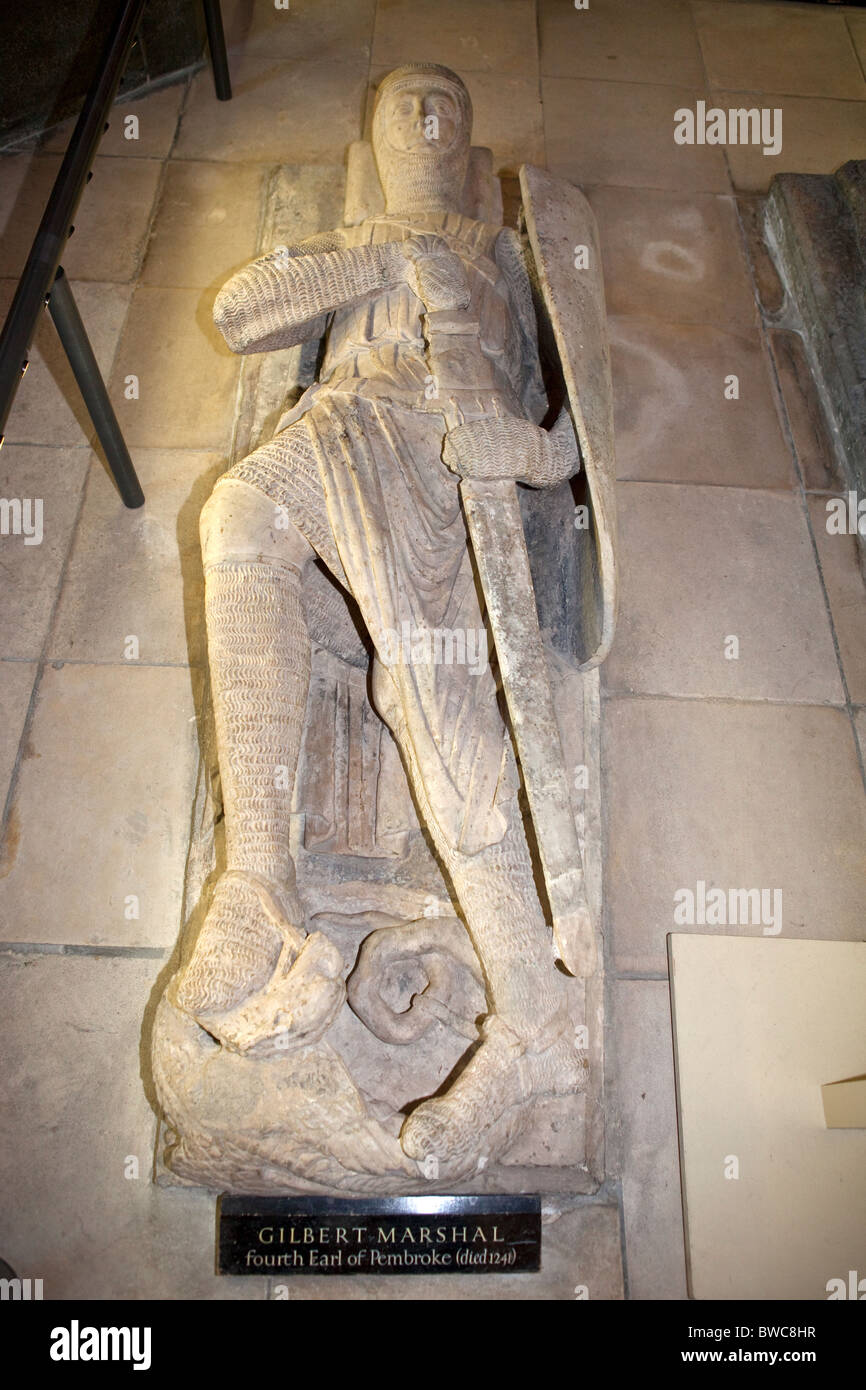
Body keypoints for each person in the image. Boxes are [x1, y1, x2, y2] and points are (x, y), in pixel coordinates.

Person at [174, 63, 585, 1170]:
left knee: (433, 707)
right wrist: (389, 254)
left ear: (464, 136)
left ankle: (536, 1021)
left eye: (443, 99)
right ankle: (257, 879)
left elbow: (590, 419)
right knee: (239, 511)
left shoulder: (503, 249)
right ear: (374, 132)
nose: (420, 114)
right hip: (339, 426)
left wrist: (532, 449)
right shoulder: (352, 246)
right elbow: (240, 312)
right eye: (402, 99)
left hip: (446, 458)